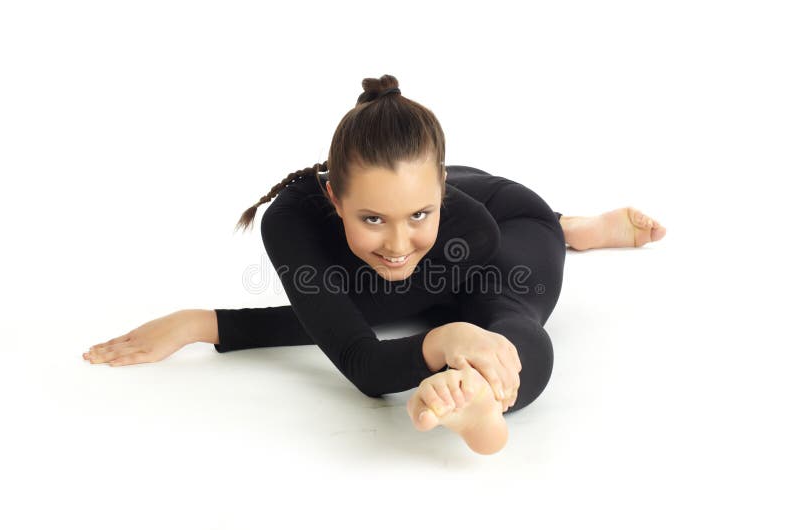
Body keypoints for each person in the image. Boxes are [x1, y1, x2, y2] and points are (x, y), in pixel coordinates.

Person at [83, 75, 666, 455]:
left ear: (439, 191)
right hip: (444, 234)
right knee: (418, 293)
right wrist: (198, 322)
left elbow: (367, 312)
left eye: (418, 213)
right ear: (334, 197)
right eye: (369, 219)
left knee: (507, 312)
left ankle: (564, 234)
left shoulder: (469, 228)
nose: (394, 243)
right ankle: (550, 240)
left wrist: (457, 335)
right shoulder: (290, 221)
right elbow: (360, 356)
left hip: (503, 227)